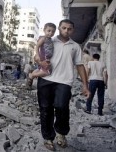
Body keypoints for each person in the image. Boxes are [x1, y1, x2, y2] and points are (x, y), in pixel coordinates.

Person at [35, 19, 90, 151]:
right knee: (45, 109)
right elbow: (36, 55)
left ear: (73, 30)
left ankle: (61, 133)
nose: (66, 31)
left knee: (61, 107)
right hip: (46, 79)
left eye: (69, 29)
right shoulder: (49, 40)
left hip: (65, 81)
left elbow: (80, 65)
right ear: (59, 28)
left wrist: (85, 85)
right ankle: (48, 137)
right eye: (63, 28)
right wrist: (40, 61)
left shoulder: (75, 46)